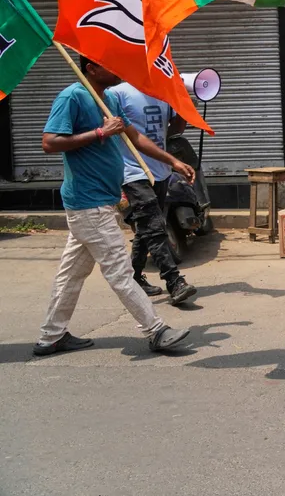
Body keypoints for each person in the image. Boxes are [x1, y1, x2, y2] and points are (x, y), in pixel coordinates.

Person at [33, 56, 194, 357]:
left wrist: (172, 161)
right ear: (91, 68)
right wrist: (99, 133)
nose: (119, 67)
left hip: (100, 201)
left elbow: (135, 137)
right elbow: (50, 142)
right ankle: (156, 329)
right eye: (109, 64)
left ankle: (50, 336)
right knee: (120, 271)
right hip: (87, 203)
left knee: (71, 274)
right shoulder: (73, 96)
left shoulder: (108, 100)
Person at [108, 82, 198, 304]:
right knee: (156, 226)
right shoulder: (118, 93)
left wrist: (183, 106)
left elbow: (174, 130)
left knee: (146, 228)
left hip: (160, 170)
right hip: (132, 170)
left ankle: (134, 278)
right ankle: (174, 281)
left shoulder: (163, 91)